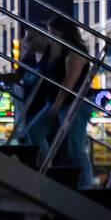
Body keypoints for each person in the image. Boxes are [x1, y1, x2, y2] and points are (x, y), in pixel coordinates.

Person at [33, 16, 94, 189]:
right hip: (55, 102)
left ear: (64, 32)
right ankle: (47, 169)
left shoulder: (75, 52)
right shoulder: (57, 50)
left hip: (74, 104)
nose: (51, 36)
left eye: (54, 32)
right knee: (35, 130)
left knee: (75, 147)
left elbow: (69, 82)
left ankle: (85, 187)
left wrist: (57, 105)